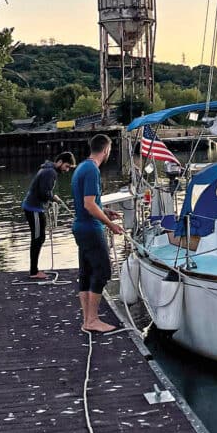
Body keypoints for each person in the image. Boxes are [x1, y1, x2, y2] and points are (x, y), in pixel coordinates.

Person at [71, 134, 123, 333]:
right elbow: (89, 204)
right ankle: (92, 320)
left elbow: (88, 203)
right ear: (106, 150)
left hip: (80, 227)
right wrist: (110, 224)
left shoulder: (81, 167)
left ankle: (87, 320)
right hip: (91, 229)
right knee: (102, 272)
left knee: (86, 273)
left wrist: (105, 210)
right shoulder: (92, 170)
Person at [21, 151, 76, 279]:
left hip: (36, 208)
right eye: (67, 166)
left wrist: (50, 198)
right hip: (33, 208)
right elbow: (44, 193)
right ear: (60, 162)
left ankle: (34, 270)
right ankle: (34, 271)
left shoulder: (48, 169)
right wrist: (53, 198)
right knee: (37, 238)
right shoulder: (50, 172)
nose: (67, 170)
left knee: (40, 238)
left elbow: (43, 191)